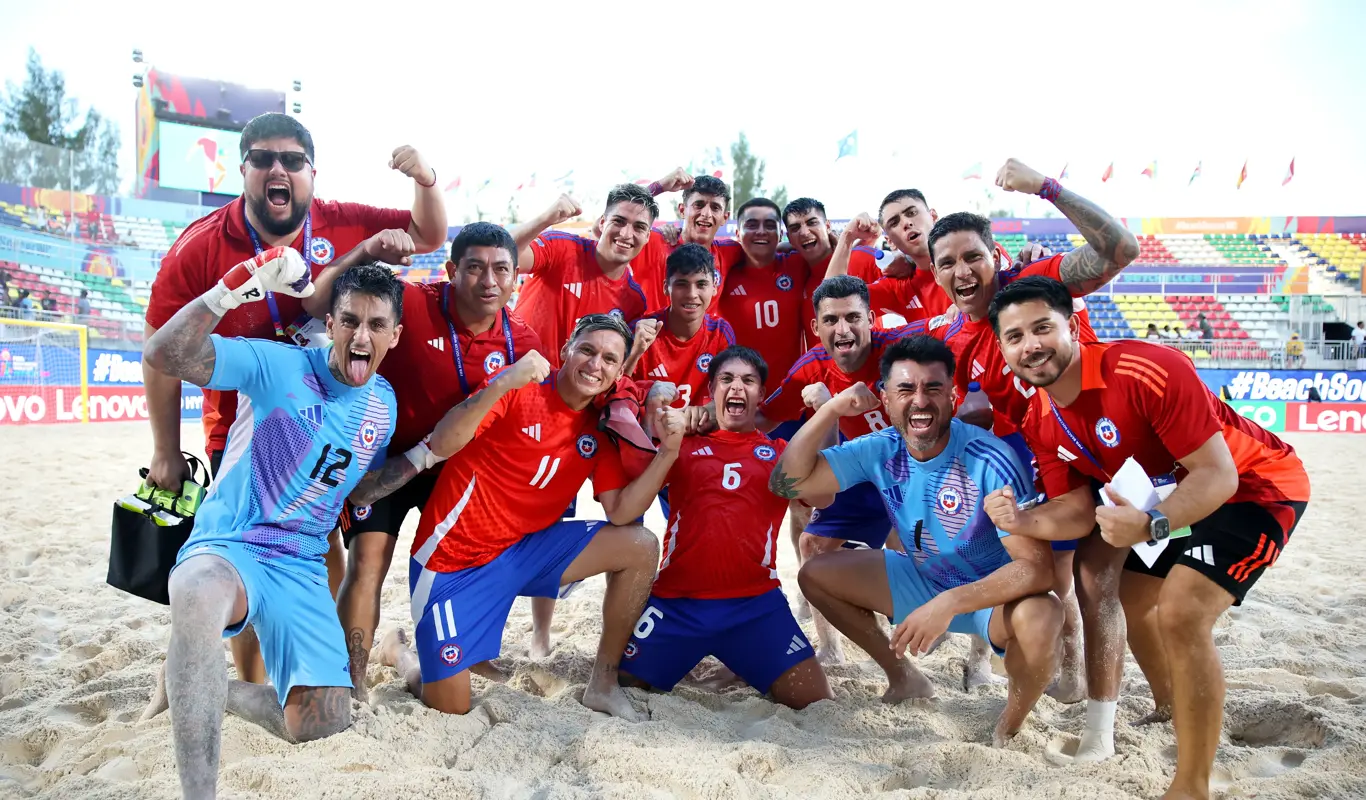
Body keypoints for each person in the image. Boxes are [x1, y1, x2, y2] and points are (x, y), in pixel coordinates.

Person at [140, 112, 447, 685]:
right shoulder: (202, 245)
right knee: (246, 548)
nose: (277, 169)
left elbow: (429, 236)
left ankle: (296, 666)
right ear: (244, 170)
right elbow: (162, 351)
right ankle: (245, 679)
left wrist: (426, 181)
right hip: (243, 424)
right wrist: (164, 449)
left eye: (291, 160)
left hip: (326, 416)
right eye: (262, 159)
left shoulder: (339, 221)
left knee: (315, 542)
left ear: (311, 173)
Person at [988, 276, 1310, 798]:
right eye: (1015, 336)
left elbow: (1217, 476)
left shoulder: (1144, 368)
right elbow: (1075, 509)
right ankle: (1168, 704)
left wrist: (1152, 524)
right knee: (1131, 602)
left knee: (1183, 611)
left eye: (1043, 327)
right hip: (1173, 500)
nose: (1031, 345)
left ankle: (1190, 785)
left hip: (1253, 486)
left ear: (1072, 326)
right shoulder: (1042, 418)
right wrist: (1022, 521)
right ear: (1003, 350)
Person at [138, 252, 402, 798]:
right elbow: (164, 353)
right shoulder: (278, 364)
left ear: (394, 336)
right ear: (329, 324)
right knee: (194, 590)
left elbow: (353, 486)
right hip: (233, 542)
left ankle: (203, 685)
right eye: (349, 319)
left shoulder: (383, 404)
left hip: (301, 563)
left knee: (324, 721)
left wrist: (426, 457)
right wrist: (233, 287)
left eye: (376, 324)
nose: (361, 333)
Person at [372, 314, 675, 720]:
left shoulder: (602, 423)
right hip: (453, 562)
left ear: (619, 371)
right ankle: (399, 651)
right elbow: (443, 442)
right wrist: (502, 381)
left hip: (523, 553)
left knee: (640, 545)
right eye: (586, 350)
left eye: (608, 358)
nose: (594, 364)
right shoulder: (520, 388)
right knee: (450, 706)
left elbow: (621, 510)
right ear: (566, 349)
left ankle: (603, 683)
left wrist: (669, 453)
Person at [922, 160, 1140, 709]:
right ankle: (1073, 681)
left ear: (996, 256)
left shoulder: (1034, 284)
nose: (962, 269)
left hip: (1115, 445)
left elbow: (1120, 250)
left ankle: (1112, 702)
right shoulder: (952, 337)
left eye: (973, 255)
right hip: (1048, 458)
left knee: (1118, 589)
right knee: (1066, 575)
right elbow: (969, 402)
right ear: (936, 275)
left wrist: (1047, 187)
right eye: (947, 262)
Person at [773, 335, 1061, 740]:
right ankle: (904, 677)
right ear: (886, 399)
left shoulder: (990, 457)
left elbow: (1037, 569)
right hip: (923, 580)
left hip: (990, 598)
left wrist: (950, 602)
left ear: (953, 397)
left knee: (1044, 615)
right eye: (905, 389)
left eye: (933, 389)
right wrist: (833, 409)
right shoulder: (880, 448)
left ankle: (1008, 725)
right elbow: (788, 481)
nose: (919, 400)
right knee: (816, 572)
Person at [302, 222, 542, 702]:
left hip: (452, 470)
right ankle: (354, 681)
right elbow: (331, 310)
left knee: (468, 565)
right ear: (452, 270)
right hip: (382, 460)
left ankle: (469, 653)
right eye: (474, 267)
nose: (488, 281)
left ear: (517, 278)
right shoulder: (410, 302)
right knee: (368, 562)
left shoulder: (522, 341)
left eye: (501, 270)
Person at [620, 345, 833, 709]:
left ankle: (741, 662)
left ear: (761, 395)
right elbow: (631, 493)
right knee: (625, 681)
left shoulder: (780, 453)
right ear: (711, 393)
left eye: (748, 381)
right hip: (676, 605)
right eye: (727, 379)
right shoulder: (682, 446)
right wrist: (657, 416)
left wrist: (829, 414)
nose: (737, 387)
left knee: (814, 698)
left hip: (755, 606)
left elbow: (826, 497)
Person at [756, 275, 925, 666]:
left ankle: (977, 661)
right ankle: (831, 651)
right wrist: (705, 422)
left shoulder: (901, 349)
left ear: (871, 318)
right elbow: (763, 416)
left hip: (919, 471)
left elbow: (958, 327)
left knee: (908, 545)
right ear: (816, 328)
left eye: (853, 317)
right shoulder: (811, 367)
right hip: (865, 471)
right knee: (811, 546)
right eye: (831, 320)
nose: (843, 329)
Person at [509, 186, 654, 365]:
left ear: (647, 236)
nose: (625, 234)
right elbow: (500, 257)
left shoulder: (634, 300)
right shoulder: (560, 248)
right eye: (618, 221)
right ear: (602, 222)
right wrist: (544, 219)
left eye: (639, 227)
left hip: (572, 391)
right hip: (515, 382)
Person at [625, 243, 736, 406]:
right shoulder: (641, 332)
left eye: (701, 284)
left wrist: (688, 419)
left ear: (714, 288)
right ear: (665, 288)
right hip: (646, 429)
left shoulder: (720, 333)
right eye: (681, 284)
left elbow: (728, 396)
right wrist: (634, 354)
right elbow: (616, 394)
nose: (691, 294)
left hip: (699, 428)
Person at [825, 190, 955, 326]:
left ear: (933, 216)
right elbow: (831, 299)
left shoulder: (973, 259)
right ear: (891, 241)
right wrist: (847, 236)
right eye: (894, 222)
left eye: (912, 213)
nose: (906, 223)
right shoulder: (898, 287)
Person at [633, 172, 746, 314]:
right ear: (682, 210)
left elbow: (765, 254)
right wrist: (659, 186)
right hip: (650, 334)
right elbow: (608, 226)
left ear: (725, 217)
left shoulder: (729, 252)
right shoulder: (653, 240)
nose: (706, 214)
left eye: (715, 207)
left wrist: (783, 246)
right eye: (699, 205)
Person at [782, 198, 884, 344]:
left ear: (828, 226)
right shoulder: (796, 272)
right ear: (790, 238)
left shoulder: (861, 258)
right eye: (795, 228)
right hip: (820, 366)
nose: (804, 232)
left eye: (812, 222)